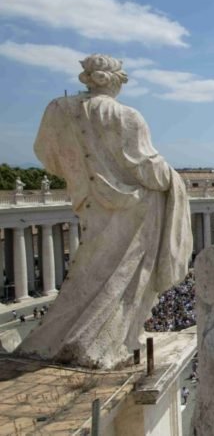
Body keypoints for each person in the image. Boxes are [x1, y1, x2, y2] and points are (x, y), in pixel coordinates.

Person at [17, 54, 192, 368]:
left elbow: (45, 152)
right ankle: (105, 341)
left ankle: (68, 339)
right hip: (134, 208)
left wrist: (78, 175)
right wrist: (174, 179)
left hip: (89, 200)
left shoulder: (58, 109)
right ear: (116, 81)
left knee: (89, 270)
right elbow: (147, 167)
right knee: (121, 275)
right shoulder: (126, 116)